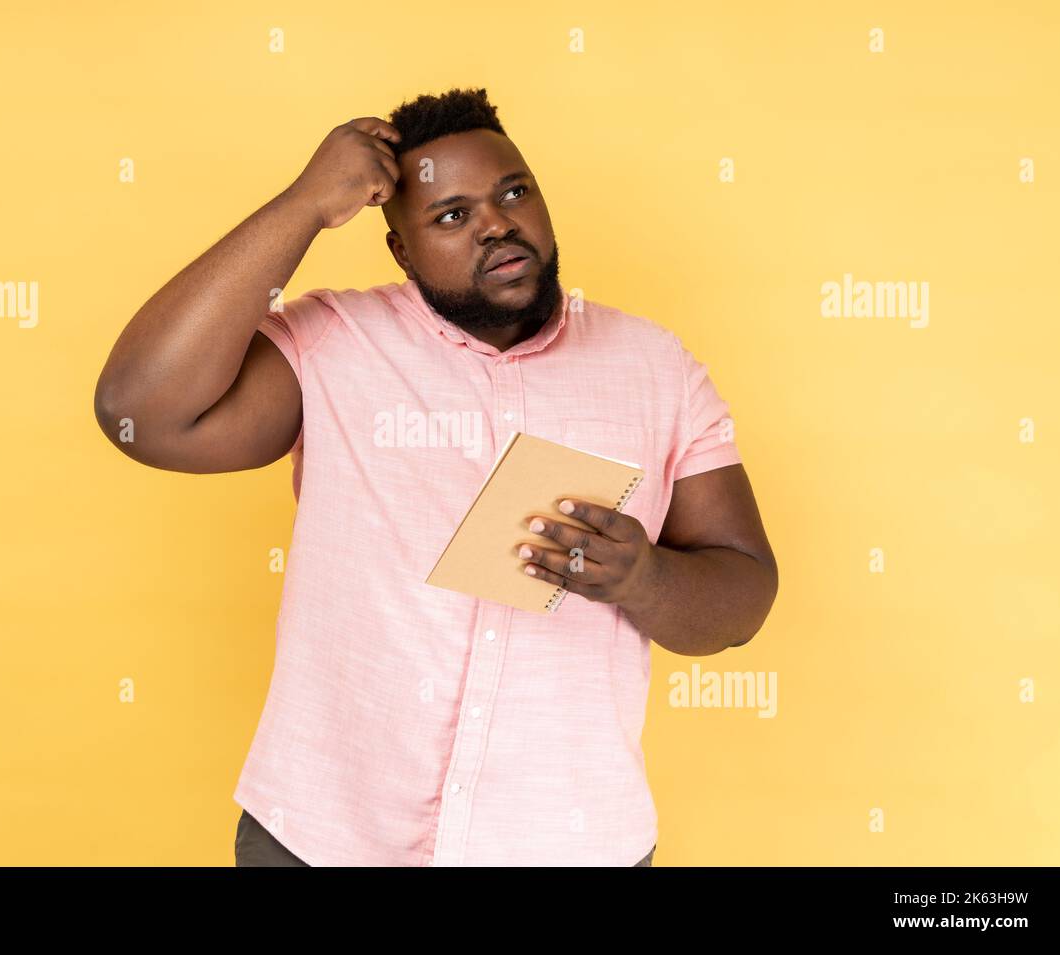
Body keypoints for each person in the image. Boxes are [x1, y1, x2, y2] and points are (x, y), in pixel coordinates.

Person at [94, 87, 778, 866]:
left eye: (513, 191)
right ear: (402, 251)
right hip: (325, 837)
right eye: (450, 215)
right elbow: (139, 411)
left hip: (568, 841)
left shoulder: (656, 368)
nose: (495, 222)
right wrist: (305, 205)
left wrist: (644, 576)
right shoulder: (336, 343)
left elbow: (743, 594)